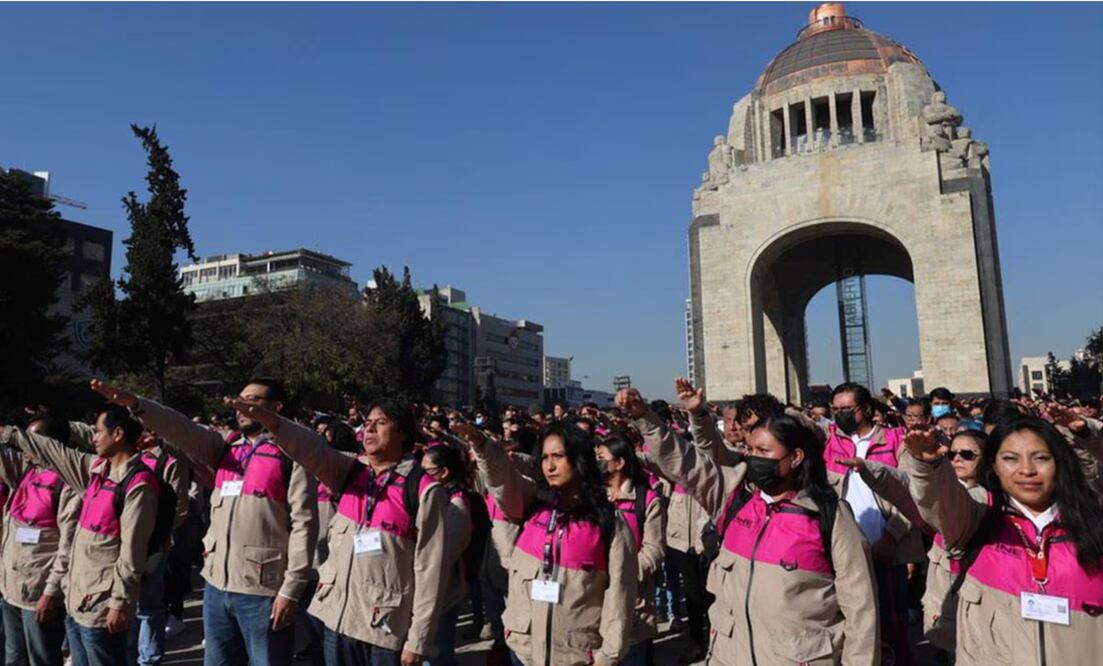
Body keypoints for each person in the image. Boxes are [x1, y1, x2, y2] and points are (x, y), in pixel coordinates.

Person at [618, 386, 879, 665]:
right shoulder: (733, 495)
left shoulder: (829, 516)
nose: (754, 457)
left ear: (796, 457)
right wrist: (645, 417)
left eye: (764, 450)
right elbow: (683, 460)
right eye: (751, 449)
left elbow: (861, 612)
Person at [90, 379, 318, 666]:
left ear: (276, 408)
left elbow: (305, 525)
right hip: (216, 587)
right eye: (239, 399)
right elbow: (182, 428)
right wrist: (136, 404)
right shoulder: (227, 448)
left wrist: (290, 590)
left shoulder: (293, 454)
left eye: (252, 401)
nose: (240, 407)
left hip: (264, 592)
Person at [228, 396, 450, 666]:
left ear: (402, 433)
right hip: (336, 620)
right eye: (367, 423)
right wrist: (271, 422)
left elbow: (431, 571)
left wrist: (418, 640)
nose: (369, 430)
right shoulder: (350, 471)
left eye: (380, 423)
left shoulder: (424, 490)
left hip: (383, 630)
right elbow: (311, 448)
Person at [902, 416, 1103, 664]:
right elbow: (941, 502)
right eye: (1010, 459)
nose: (1026, 470)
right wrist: (928, 465)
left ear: (1060, 463)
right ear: (994, 466)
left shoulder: (1092, 524)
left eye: (1040, 458)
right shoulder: (977, 520)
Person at [455, 421, 637, 666]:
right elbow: (502, 478)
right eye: (544, 458)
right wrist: (481, 444)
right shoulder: (534, 503)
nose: (549, 466)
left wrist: (608, 655)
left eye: (558, 456)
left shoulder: (609, 523)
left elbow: (620, 596)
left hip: (576, 656)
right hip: (524, 651)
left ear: (578, 458)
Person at [1, 402, 160, 666]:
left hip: (101, 608)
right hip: (77, 603)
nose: (92, 437)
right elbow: (53, 449)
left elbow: (131, 553)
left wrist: (119, 603)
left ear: (118, 434)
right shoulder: (94, 471)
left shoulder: (137, 485)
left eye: (97, 431)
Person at [0, 415, 80, 666]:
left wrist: (50, 592)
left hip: (38, 595)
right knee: (14, 658)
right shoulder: (27, 472)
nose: (23, 447)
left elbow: (67, 548)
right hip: (11, 591)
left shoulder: (67, 486)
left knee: (42, 660)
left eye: (30, 441)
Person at [596, 437, 665, 666]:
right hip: (596, 596)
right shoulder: (595, 497)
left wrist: (623, 575)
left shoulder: (646, 500)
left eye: (602, 458)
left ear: (620, 463)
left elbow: (653, 550)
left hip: (633, 598)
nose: (597, 463)